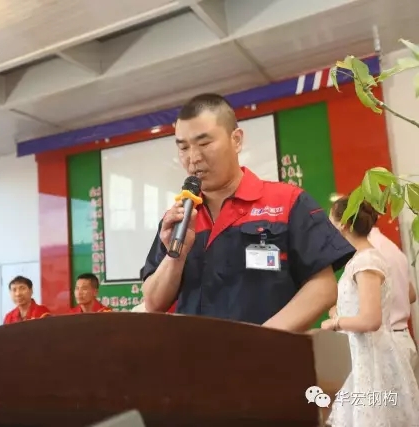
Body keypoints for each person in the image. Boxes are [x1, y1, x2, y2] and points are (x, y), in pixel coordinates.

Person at [141, 93, 355, 332]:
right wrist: (176, 256)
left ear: (236, 140)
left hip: (268, 352)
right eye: (183, 147)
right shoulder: (178, 219)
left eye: (204, 144)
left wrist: (258, 340)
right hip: (192, 353)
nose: (193, 158)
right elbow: (153, 302)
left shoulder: (289, 202)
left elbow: (323, 287)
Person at [322, 197, 419, 426]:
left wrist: (335, 322)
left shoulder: (366, 261)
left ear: (343, 224)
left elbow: (371, 319)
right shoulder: (364, 258)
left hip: (369, 356)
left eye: (331, 220)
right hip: (361, 354)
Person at [329, 224, 418, 373]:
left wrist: (338, 317)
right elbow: (411, 294)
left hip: (382, 346)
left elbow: (370, 318)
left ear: (343, 224)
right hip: (402, 339)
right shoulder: (390, 247)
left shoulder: (367, 256)